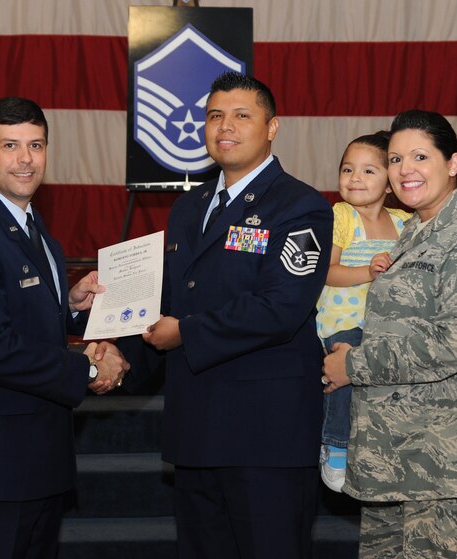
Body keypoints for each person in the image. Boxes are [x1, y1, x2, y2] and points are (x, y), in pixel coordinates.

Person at [128, 72, 333, 558]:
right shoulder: (187, 206)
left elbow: (282, 306)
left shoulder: (301, 205)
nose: (226, 126)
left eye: (243, 115)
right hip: (195, 430)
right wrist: (112, 351)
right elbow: (167, 301)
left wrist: (185, 333)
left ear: (272, 127)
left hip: (266, 436)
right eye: (215, 115)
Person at [0, 96, 129, 559]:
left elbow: (26, 313)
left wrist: (72, 307)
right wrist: (90, 371)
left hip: (38, 462)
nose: (25, 159)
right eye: (10, 145)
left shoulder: (35, 229)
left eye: (36, 145)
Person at [322, 110, 457, 558]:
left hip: (443, 463)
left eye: (420, 156)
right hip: (391, 457)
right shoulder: (412, 230)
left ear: (453, 163)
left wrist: (352, 365)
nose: (406, 169)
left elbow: (454, 342)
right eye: (395, 158)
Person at [315, 131, 412, 493]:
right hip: (345, 321)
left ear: (390, 182)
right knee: (348, 365)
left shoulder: (404, 221)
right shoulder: (340, 216)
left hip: (385, 322)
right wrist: (367, 272)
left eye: (369, 171)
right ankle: (335, 445)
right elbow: (326, 270)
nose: (355, 178)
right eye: (347, 169)